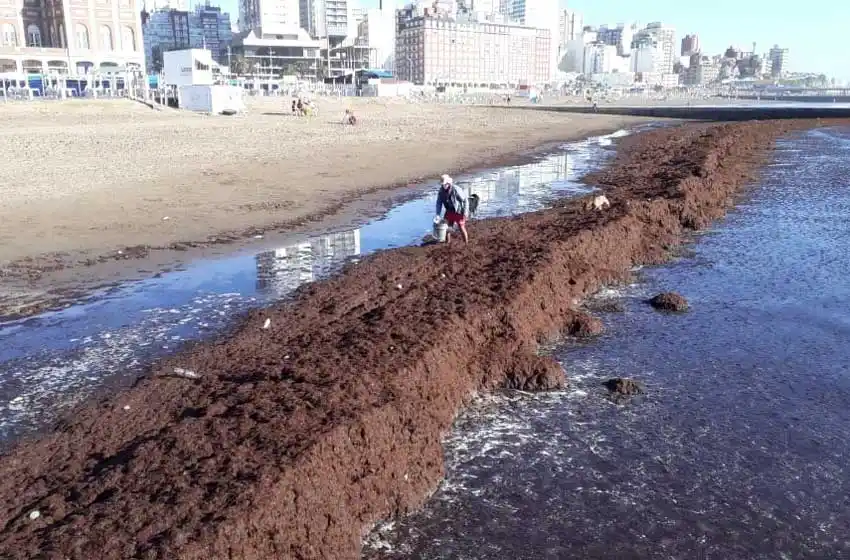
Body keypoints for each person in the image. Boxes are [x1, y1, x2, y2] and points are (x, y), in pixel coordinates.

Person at [435, 174, 469, 244]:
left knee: (461, 227)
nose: (443, 186)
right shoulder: (441, 191)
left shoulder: (456, 189)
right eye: (442, 184)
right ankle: (448, 243)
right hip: (449, 210)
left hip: (458, 211)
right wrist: (438, 214)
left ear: (448, 183)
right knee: (447, 227)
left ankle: (466, 243)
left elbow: (465, 200)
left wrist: (465, 212)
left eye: (445, 184)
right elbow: (439, 203)